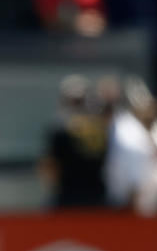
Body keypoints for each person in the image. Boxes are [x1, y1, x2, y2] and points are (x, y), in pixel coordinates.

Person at [37, 74, 108, 208]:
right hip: (97, 198)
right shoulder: (102, 128)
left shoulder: (59, 128)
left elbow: (49, 167)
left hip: (68, 198)